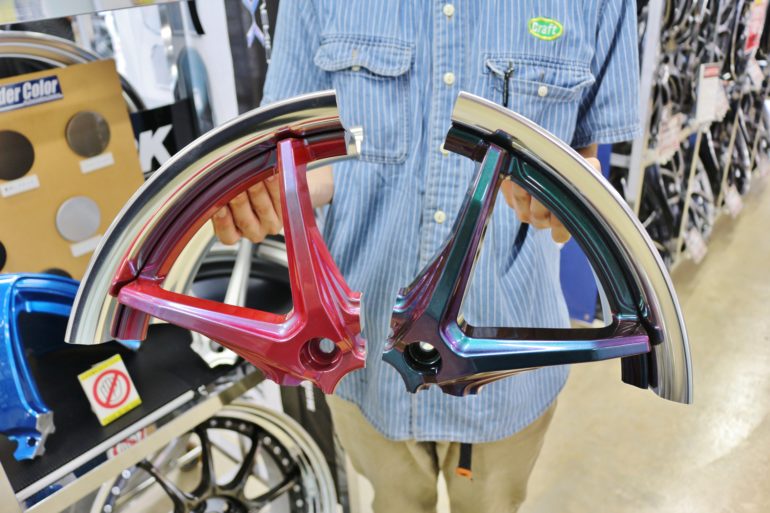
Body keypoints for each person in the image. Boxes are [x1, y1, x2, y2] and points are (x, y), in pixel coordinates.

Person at [213, 1, 639, 511]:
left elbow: (585, 157)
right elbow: (299, 155)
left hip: (506, 358)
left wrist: (569, 200)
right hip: (363, 350)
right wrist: (267, 193)